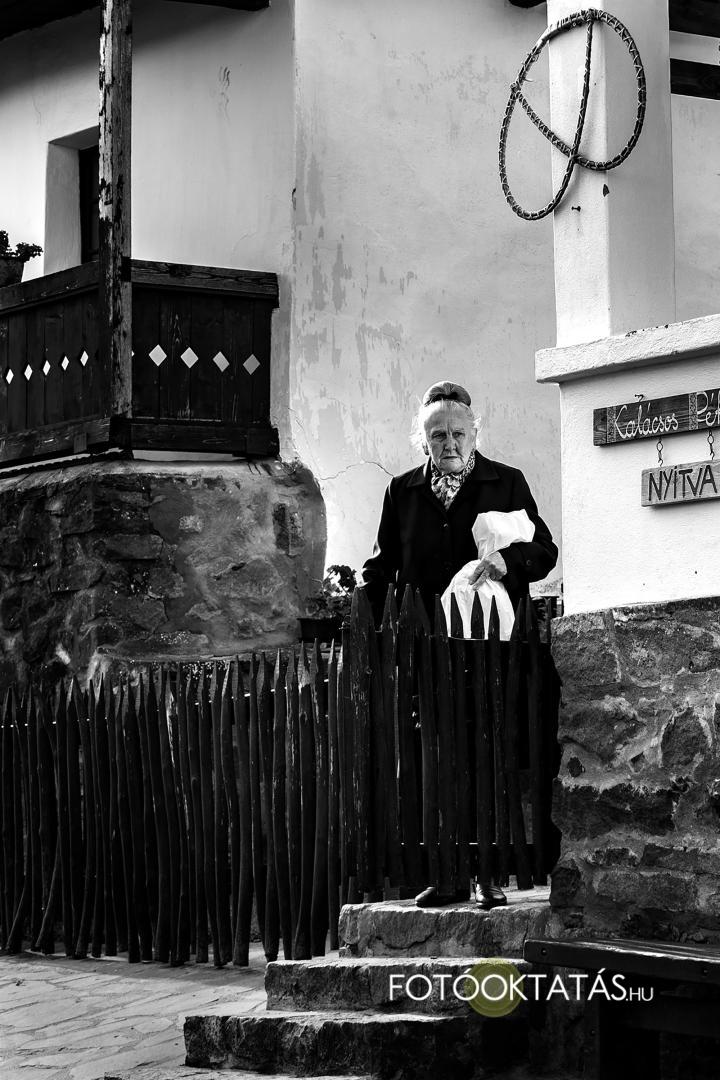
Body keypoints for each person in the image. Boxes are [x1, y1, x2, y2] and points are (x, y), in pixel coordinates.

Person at [361, 380, 558, 909]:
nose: (448, 443)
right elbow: (381, 567)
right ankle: (446, 875)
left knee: (489, 757)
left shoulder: (506, 482)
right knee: (437, 760)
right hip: (430, 651)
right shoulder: (402, 491)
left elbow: (545, 550)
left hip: (492, 649)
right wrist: (371, 625)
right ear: (422, 440)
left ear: (475, 434)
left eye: (457, 434)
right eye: (437, 435)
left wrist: (507, 562)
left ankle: (487, 877)